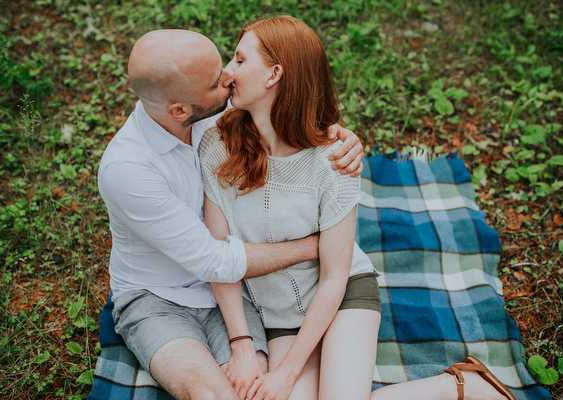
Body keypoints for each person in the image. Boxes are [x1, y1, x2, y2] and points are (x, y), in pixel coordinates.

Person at [199, 16, 518, 400]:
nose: (227, 72)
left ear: (274, 75)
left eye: (239, 60)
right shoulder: (216, 146)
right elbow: (219, 259)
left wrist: (285, 372)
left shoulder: (334, 161)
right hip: (278, 315)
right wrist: (242, 343)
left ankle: (462, 384)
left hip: (344, 294)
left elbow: (335, 278)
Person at [97, 28, 365, 400]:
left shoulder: (218, 114)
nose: (229, 77)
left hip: (236, 293)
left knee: (256, 392)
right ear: (180, 110)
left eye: (231, 61)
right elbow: (215, 259)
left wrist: (344, 137)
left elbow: (292, 127)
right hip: (158, 298)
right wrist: (315, 246)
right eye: (215, 82)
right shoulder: (127, 169)